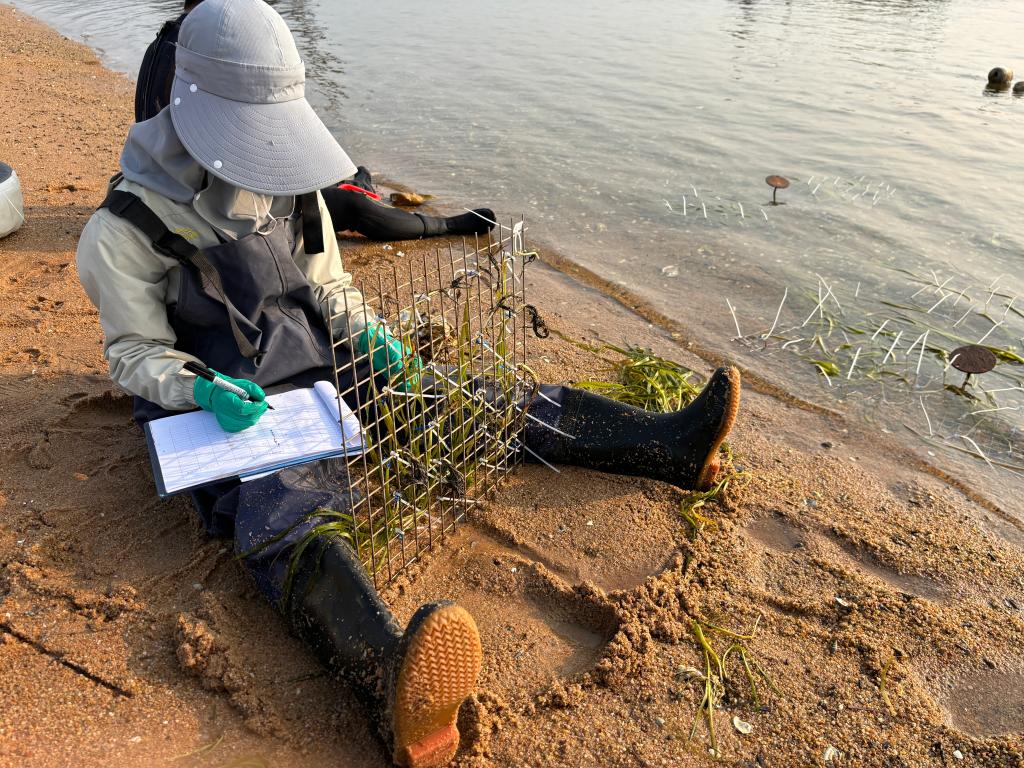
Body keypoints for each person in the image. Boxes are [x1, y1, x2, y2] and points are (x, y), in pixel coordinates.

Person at [75, 1, 741, 766]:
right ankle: (388, 677)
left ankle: (664, 444)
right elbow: (135, 353)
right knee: (285, 507)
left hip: (318, 365)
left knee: (462, 406)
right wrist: (201, 389)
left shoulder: (291, 186)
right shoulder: (123, 229)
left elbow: (328, 288)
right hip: (226, 404)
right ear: (190, 109)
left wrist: (378, 345)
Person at [135, 0, 496, 243]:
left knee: (320, 166)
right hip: (209, 189)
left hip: (178, 169)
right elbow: (228, 142)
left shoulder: (167, 40)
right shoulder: (208, 54)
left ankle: (355, 181)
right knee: (351, 207)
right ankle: (443, 224)